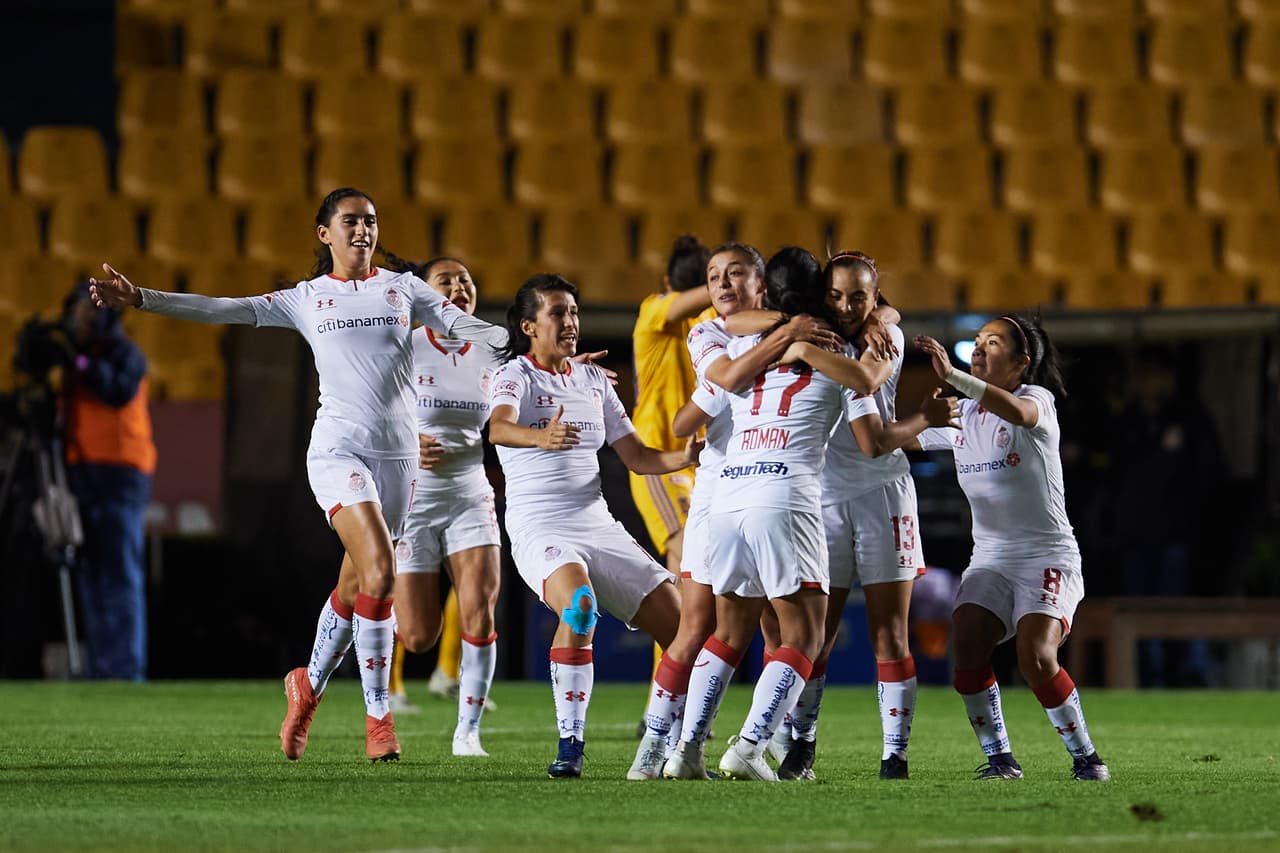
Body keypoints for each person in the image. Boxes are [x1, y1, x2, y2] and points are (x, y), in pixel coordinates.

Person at [89, 187, 508, 762]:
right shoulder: (307, 299)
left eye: (371, 221)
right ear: (325, 235)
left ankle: (307, 688)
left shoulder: (404, 289)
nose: (363, 230)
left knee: (355, 586)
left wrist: (530, 346)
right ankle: (379, 721)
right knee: (382, 573)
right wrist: (141, 298)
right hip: (338, 452)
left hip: (399, 461)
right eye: (351, 221)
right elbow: (222, 307)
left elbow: (472, 332)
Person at [664, 247, 955, 782]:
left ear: (876, 295)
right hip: (806, 494)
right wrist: (795, 332)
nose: (846, 306)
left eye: (859, 297)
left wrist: (803, 338)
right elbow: (739, 320)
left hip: (862, 492)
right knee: (811, 634)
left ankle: (892, 755)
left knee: (880, 633)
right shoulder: (832, 341)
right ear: (819, 295)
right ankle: (789, 746)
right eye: (836, 295)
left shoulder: (871, 335)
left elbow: (872, 436)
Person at [626, 242, 841, 780]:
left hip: (740, 494)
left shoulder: (760, 334)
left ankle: (713, 747)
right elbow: (693, 410)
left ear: (762, 284)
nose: (723, 285)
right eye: (714, 276)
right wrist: (788, 338)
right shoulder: (709, 332)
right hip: (720, 497)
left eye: (736, 274)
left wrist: (784, 336)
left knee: (765, 629)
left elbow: (697, 407)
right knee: (703, 624)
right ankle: (666, 748)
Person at [486, 273, 700, 779]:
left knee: (687, 633)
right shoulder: (516, 375)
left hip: (597, 522)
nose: (570, 322)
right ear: (528, 326)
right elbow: (498, 426)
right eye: (558, 313)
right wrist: (538, 437)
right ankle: (571, 745)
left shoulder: (592, 381)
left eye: (574, 312)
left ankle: (663, 738)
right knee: (580, 609)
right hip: (541, 525)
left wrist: (686, 455)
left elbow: (639, 457)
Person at [915, 315, 1111, 781]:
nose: (979, 349)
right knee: (965, 641)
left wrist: (954, 377)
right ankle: (1000, 759)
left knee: (1036, 657)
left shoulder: (1035, 400)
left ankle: (1087, 758)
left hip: (1047, 556)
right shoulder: (963, 415)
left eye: (993, 342)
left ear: (1022, 362)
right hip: (991, 559)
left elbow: (1019, 415)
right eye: (977, 342)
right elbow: (898, 441)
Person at [387, 256, 504, 756]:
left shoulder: (493, 345)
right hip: (413, 498)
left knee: (480, 611)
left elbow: (535, 376)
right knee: (417, 635)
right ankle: (381, 682)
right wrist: (410, 438)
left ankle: (468, 732)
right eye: (446, 281)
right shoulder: (404, 346)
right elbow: (370, 408)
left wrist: (572, 371)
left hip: (470, 493)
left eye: (466, 281)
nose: (458, 288)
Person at [627, 235, 715, 734]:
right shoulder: (654, 312)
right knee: (684, 564)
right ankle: (665, 700)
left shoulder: (709, 325)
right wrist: (731, 282)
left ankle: (674, 696)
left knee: (701, 581)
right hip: (659, 464)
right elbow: (693, 301)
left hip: (702, 467)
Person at [61, 282, 156, 681]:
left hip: (120, 473)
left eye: (87, 313)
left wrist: (77, 362)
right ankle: (101, 666)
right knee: (90, 574)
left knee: (118, 573)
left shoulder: (125, 353)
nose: (79, 322)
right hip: (80, 471)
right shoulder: (73, 358)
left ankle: (125, 669)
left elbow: (116, 390)